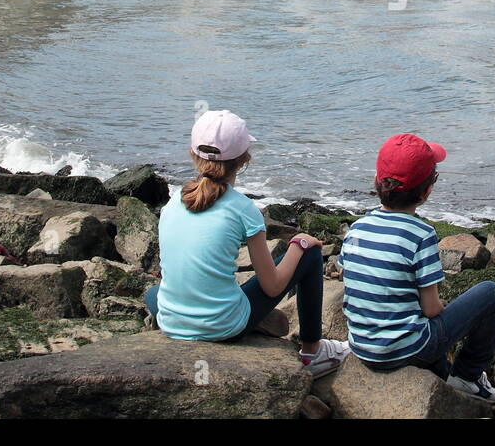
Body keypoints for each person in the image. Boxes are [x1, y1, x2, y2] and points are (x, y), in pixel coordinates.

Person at [144, 110, 350, 377]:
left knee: (153, 294)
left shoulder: (173, 202)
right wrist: (298, 244)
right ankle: (313, 350)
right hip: (223, 326)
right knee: (309, 253)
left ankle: (256, 321)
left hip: (173, 321)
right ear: (243, 161)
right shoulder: (243, 209)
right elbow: (273, 285)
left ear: (192, 154)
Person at [339, 133, 495, 403]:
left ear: (378, 180)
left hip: (362, 346)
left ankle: (445, 372)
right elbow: (431, 309)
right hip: (405, 350)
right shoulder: (421, 234)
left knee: (415, 317)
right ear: (427, 191)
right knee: (492, 292)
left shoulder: (357, 228)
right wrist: (448, 314)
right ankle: (468, 375)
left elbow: (353, 278)